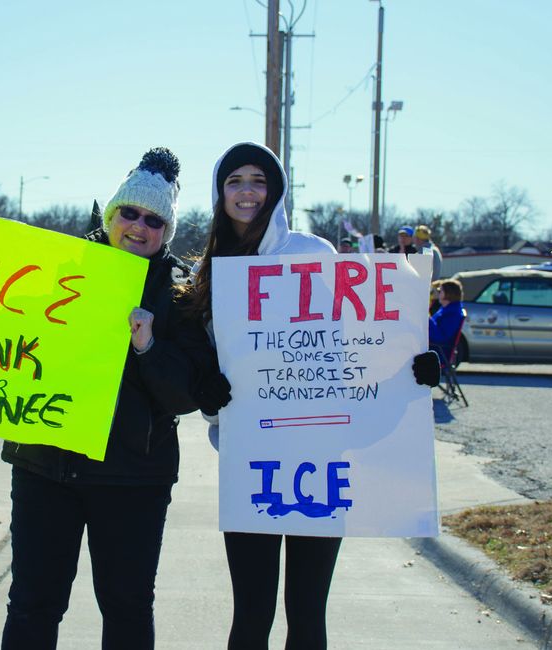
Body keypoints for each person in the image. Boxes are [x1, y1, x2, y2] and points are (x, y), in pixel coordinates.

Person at [0, 147, 201, 650]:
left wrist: (148, 347)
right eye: (129, 212)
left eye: (154, 219)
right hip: (47, 471)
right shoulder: (53, 270)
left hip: (133, 479)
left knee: (127, 607)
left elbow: (185, 396)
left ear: (167, 230)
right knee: (32, 604)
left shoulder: (178, 293)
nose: (139, 226)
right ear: (112, 214)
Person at [182, 142, 440, 649]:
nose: (247, 191)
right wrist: (208, 397)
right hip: (250, 458)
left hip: (322, 457)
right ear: (219, 192)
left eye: (258, 179)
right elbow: (201, 361)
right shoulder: (208, 271)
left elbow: (354, 344)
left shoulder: (312, 254)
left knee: (307, 613)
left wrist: (411, 366)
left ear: (275, 190)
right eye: (234, 181)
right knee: (251, 613)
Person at [429, 279, 465, 366]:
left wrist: (427, 318)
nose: (437, 293)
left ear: (448, 293)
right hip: (436, 348)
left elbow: (440, 337)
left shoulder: (452, 313)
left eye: (440, 290)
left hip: (439, 352)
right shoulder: (447, 309)